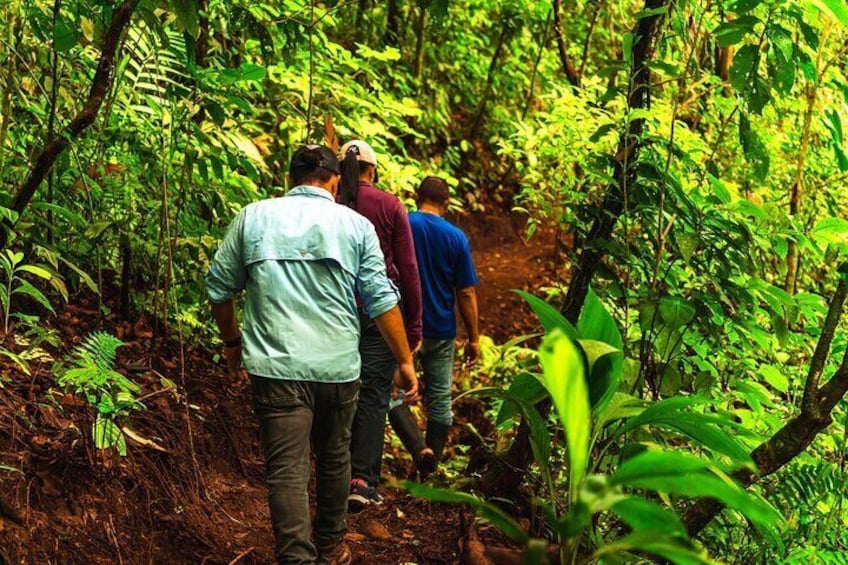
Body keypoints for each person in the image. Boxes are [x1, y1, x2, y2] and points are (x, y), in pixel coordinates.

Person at [206, 144, 419, 565]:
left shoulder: (254, 216)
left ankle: (296, 558)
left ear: (290, 178)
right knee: (334, 458)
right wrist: (406, 361)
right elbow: (380, 300)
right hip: (338, 368)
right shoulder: (356, 225)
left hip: (277, 366)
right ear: (336, 180)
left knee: (287, 467)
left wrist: (233, 346)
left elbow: (218, 289)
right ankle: (331, 547)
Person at [336, 139, 432, 510]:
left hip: (337, 311)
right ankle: (362, 480)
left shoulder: (333, 203)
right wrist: (414, 328)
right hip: (379, 314)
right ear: (372, 171)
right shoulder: (391, 205)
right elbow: (408, 269)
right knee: (374, 395)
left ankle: (333, 473)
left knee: (338, 388)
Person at [389, 176, 480, 472]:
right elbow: (465, 292)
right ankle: (431, 471)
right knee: (440, 400)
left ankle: (419, 449)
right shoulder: (455, 237)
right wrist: (474, 338)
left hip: (402, 328)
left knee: (394, 394)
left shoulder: (402, 224)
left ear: (416, 196)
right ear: (447, 203)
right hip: (441, 329)